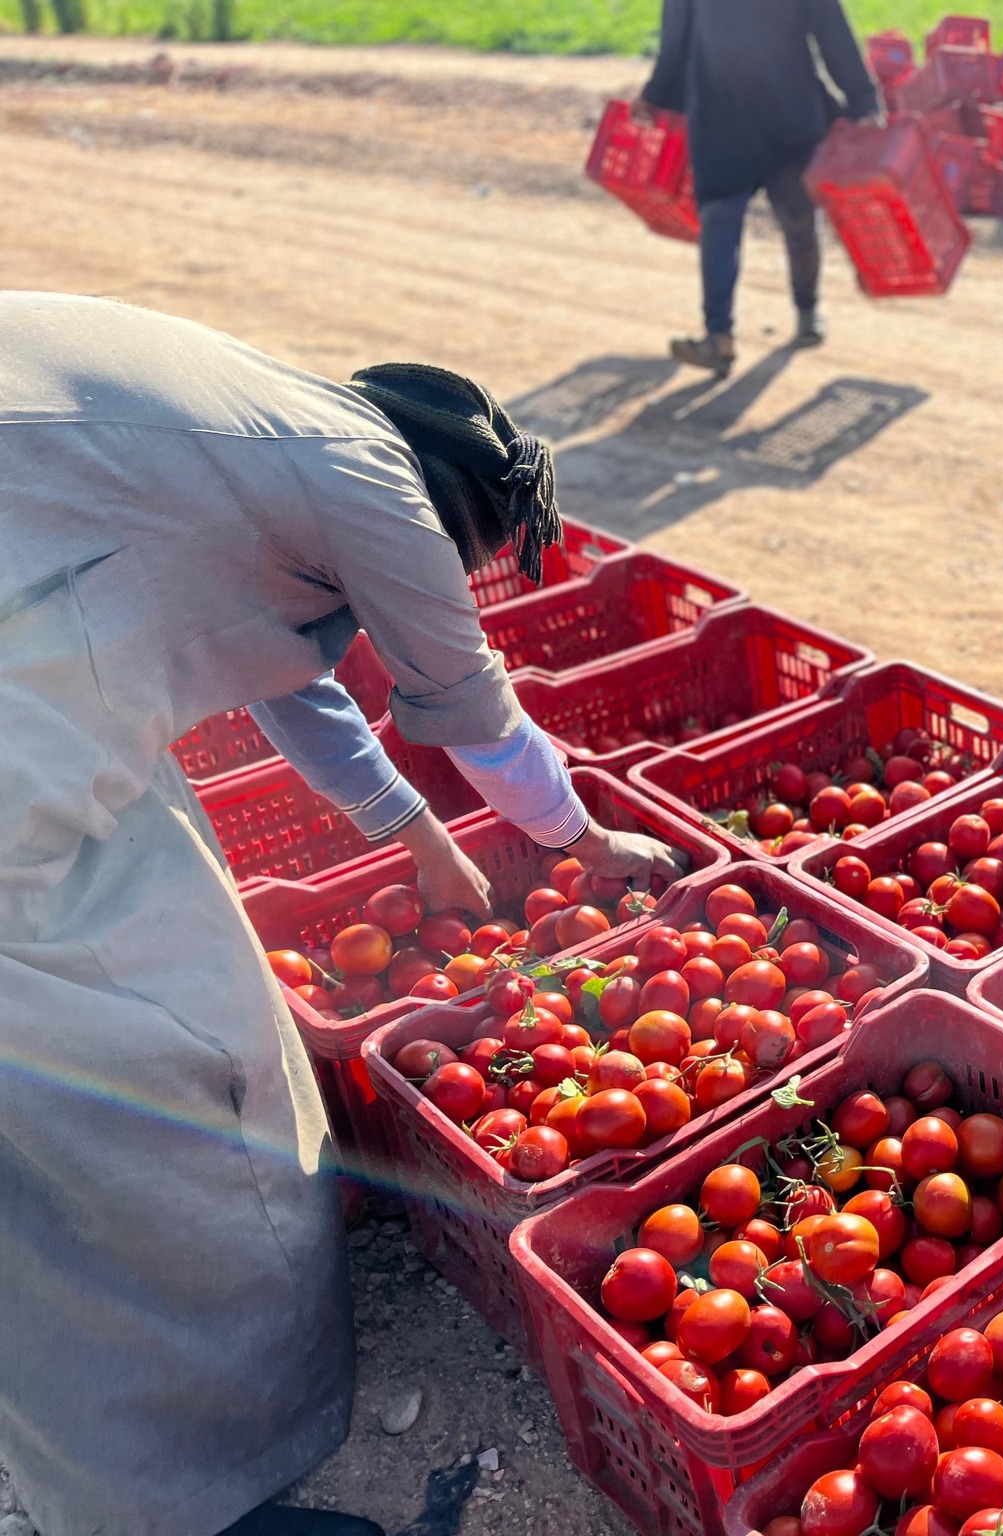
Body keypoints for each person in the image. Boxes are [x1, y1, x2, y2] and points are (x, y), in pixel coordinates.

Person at [0, 292, 680, 1536]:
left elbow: (281, 666)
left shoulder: (271, 433)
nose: (456, 580)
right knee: (180, 1074)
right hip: (21, 751)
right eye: (474, 561)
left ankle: (137, 1444)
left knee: (102, 1075)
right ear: (456, 512)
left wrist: (411, 832)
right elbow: (471, 702)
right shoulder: (375, 487)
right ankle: (187, 1482)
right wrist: (579, 840)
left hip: (41, 679)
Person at [640, 0, 880, 378]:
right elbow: (830, 27)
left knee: (722, 221)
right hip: (787, 112)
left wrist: (656, 94)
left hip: (725, 115)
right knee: (796, 218)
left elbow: (677, 39)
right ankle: (805, 314)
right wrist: (862, 98)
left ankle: (721, 335)